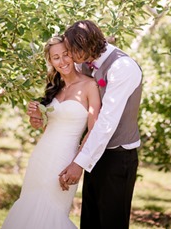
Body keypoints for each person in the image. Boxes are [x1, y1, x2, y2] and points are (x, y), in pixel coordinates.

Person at [1, 35, 101, 229]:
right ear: (50, 61)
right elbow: (46, 127)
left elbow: (94, 130)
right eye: (56, 57)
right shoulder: (55, 87)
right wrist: (36, 117)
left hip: (64, 159)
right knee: (29, 207)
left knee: (53, 211)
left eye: (66, 54)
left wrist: (77, 164)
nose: (62, 61)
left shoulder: (90, 85)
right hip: (40, 156)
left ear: (73, 55)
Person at [58, 20, 143, 229]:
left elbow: (106, 122)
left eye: (71, 50)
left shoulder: (123, 67)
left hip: (118, 155)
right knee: (90, 220)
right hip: (94, 150)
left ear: (86, 47)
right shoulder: (84, 61)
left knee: (111, 222)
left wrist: (79, 163)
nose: (69, 56)